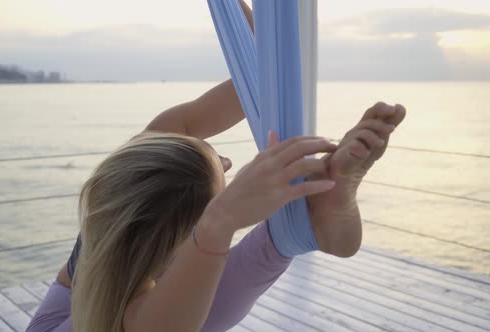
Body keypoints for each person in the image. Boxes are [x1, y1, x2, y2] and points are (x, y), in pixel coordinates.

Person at [26, 2, 407, 332]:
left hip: (76, 305)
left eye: (209, 153)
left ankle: (327, 197)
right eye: (223, 174)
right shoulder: (144, 320)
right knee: (286, 238)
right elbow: (340, 244)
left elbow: (265, 58)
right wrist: (225, 220)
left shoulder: (134, 175)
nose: (226, 159)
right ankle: (326, 198)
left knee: (297, 229)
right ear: (184, 240)